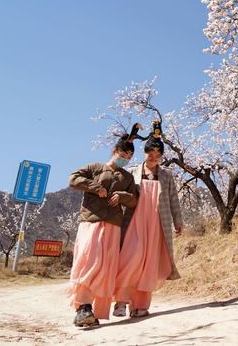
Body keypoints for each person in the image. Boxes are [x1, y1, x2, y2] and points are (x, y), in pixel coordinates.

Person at [67, 125, 139, 327]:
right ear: (115, 152)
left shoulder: (127, 177)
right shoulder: (95, 168)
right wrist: (95, 187)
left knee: (106, 267)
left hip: (114, 225)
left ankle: (95, 311)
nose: (126, 158)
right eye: (123, 153)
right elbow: (73, 179)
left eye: (129, 156)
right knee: (89, 261)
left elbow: (134, 200)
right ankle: (83, 307)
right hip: (92, 221)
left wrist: (123, 196)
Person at [113, 120, 183, 318]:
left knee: (149, 263)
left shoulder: (167, 176)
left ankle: (140, 305)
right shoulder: (132, 172)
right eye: (150, 154)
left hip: (157, 224)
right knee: (130, 259)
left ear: (161, 156)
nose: (153, 158)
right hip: (134, 221)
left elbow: (173, 201)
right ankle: (121, 302)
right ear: (144, 153)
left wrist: (178, 222)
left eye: (157, 156)